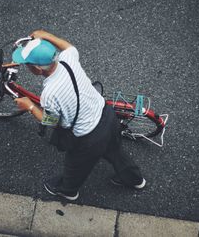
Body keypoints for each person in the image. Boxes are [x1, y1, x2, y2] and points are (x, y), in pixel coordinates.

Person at [13, 29, 145, 200]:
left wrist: (29, 106)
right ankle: (135, 179)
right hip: (108, 117)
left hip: (89, 138)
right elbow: (68, 46)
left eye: (28, 64)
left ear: (38, 69)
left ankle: (68, 191)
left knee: (75, 167)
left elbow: (51, 122)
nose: (27, 67)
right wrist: (47, 36)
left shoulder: (50, 93)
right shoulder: (68, 59)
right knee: (115, 151)